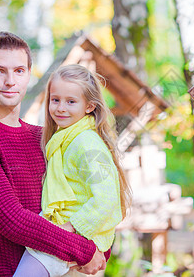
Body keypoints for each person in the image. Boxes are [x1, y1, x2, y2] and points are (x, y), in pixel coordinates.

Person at [0, 32, 108, 277]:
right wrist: (85, 251)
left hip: (70, 270)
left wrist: (100, 248)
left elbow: (91, 192)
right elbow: (13, 221)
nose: (10, 81)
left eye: (19, 71)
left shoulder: (45, 137)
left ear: (28, 75)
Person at [14, 64, 131, 277]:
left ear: (89, 106)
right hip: (62, 228)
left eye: (71, 102)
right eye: (55, 99)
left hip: (75, 234)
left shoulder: (87, 143)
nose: (60, 108)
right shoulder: (63, 139)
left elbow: (107, 198)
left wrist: (70, 228)